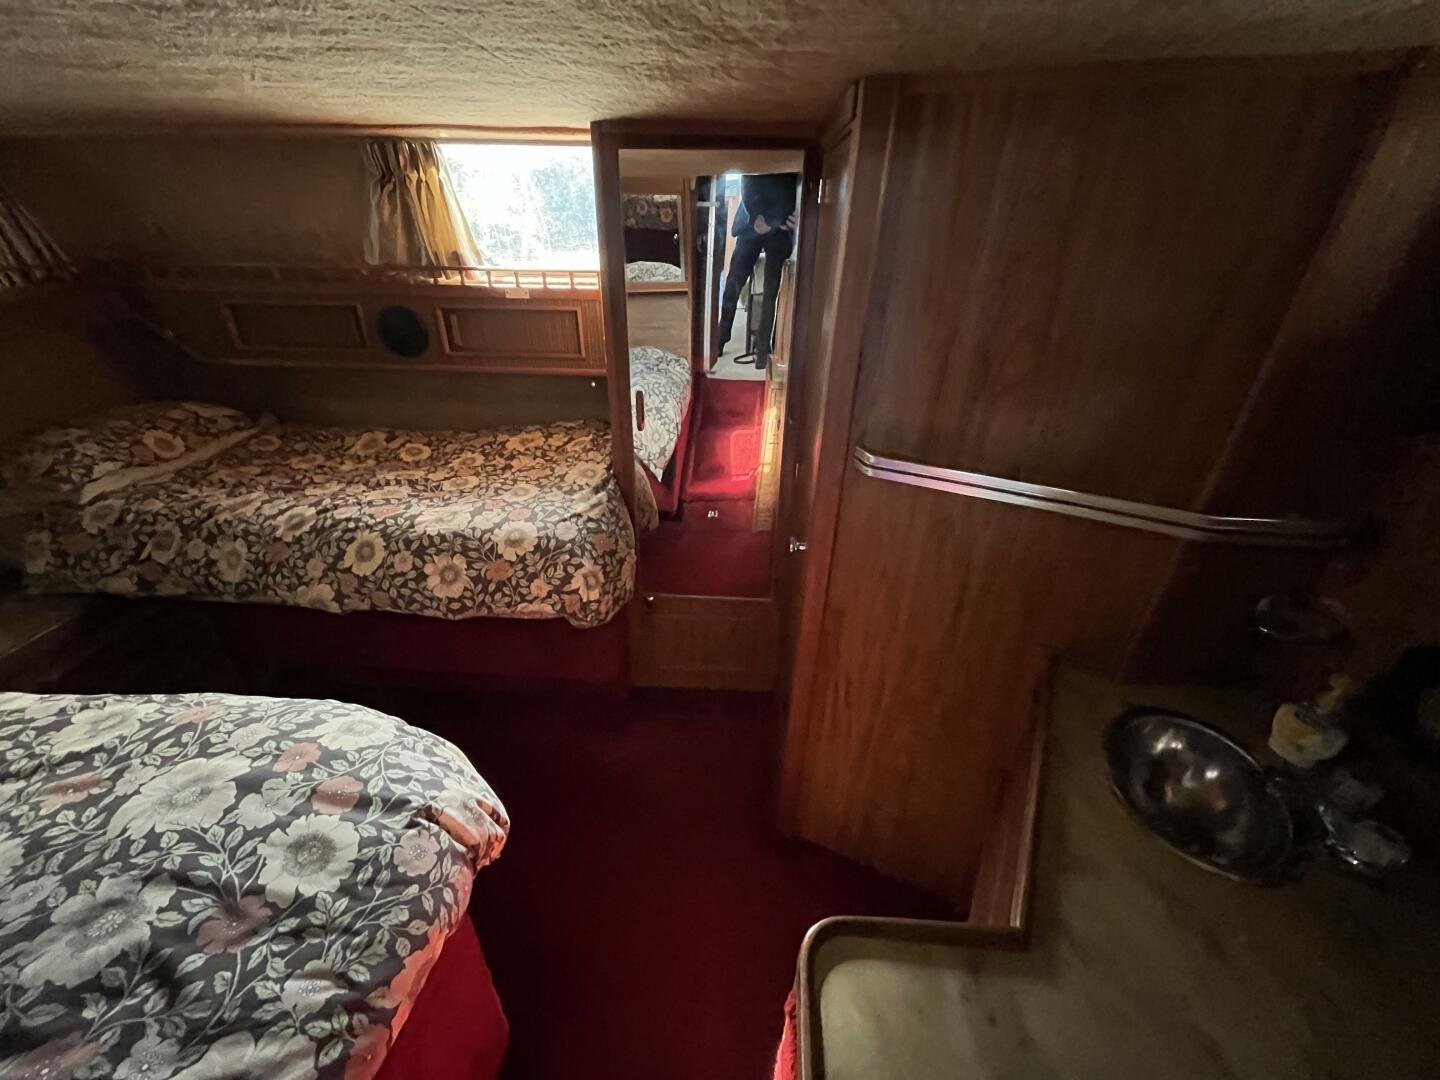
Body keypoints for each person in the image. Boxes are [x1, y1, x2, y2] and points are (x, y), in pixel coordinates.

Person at [717, 172, 799, 372]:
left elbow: (797, 186)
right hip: (752, 223)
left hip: (780, 226)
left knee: (771, 291)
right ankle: (720, 338)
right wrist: (757, 217)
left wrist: (775, 220)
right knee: (733, 283)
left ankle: (762, 351)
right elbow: (748, 178)